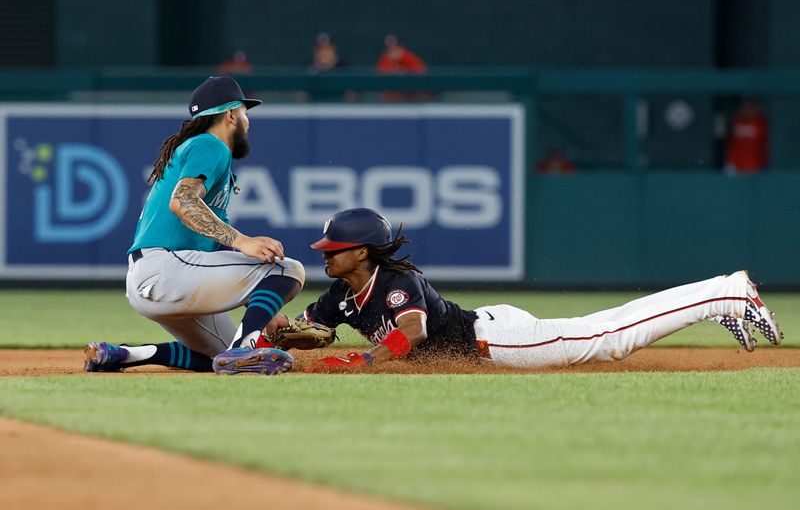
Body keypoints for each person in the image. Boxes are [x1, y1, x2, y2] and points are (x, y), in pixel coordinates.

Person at [293, 208, 782, 373]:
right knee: (603, 333)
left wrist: (366, 361)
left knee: (608, 338)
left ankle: (726, 293)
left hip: (499, 343)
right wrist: (262, 340)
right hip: (489, 324)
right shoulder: (338, 296)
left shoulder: (399, 281)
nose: (325, 254)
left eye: (335, 248)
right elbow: (305, 329)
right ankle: (718, 298)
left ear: (363, 252)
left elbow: (414, 332)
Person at [84, 76, 305, 374]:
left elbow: (213, 259)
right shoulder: (210, 145)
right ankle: (245, 348)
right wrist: (243, 241)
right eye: (245, 113)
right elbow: (183, 201)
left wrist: (261, 307)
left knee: (219, 355)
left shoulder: (207, 162)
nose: (248, 121)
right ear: (230, 114)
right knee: (287, 269)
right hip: (165, 269)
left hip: (153, 279)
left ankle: (123, 355)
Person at [375, 35, 431, 102]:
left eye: (394, 46)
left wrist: (405, 69)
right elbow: (379, 74)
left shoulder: (407, 57)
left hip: (410, 96)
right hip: (391, 98)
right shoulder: (385, 60)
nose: (392, 49)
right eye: (389, 47)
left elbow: (421, 70)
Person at [724, 99, 768, 174]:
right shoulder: (737, 120)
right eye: (746, 106)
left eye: (751, 106)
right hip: (734, 165)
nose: (748, 109)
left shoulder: (761, 122)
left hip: (754, 166)